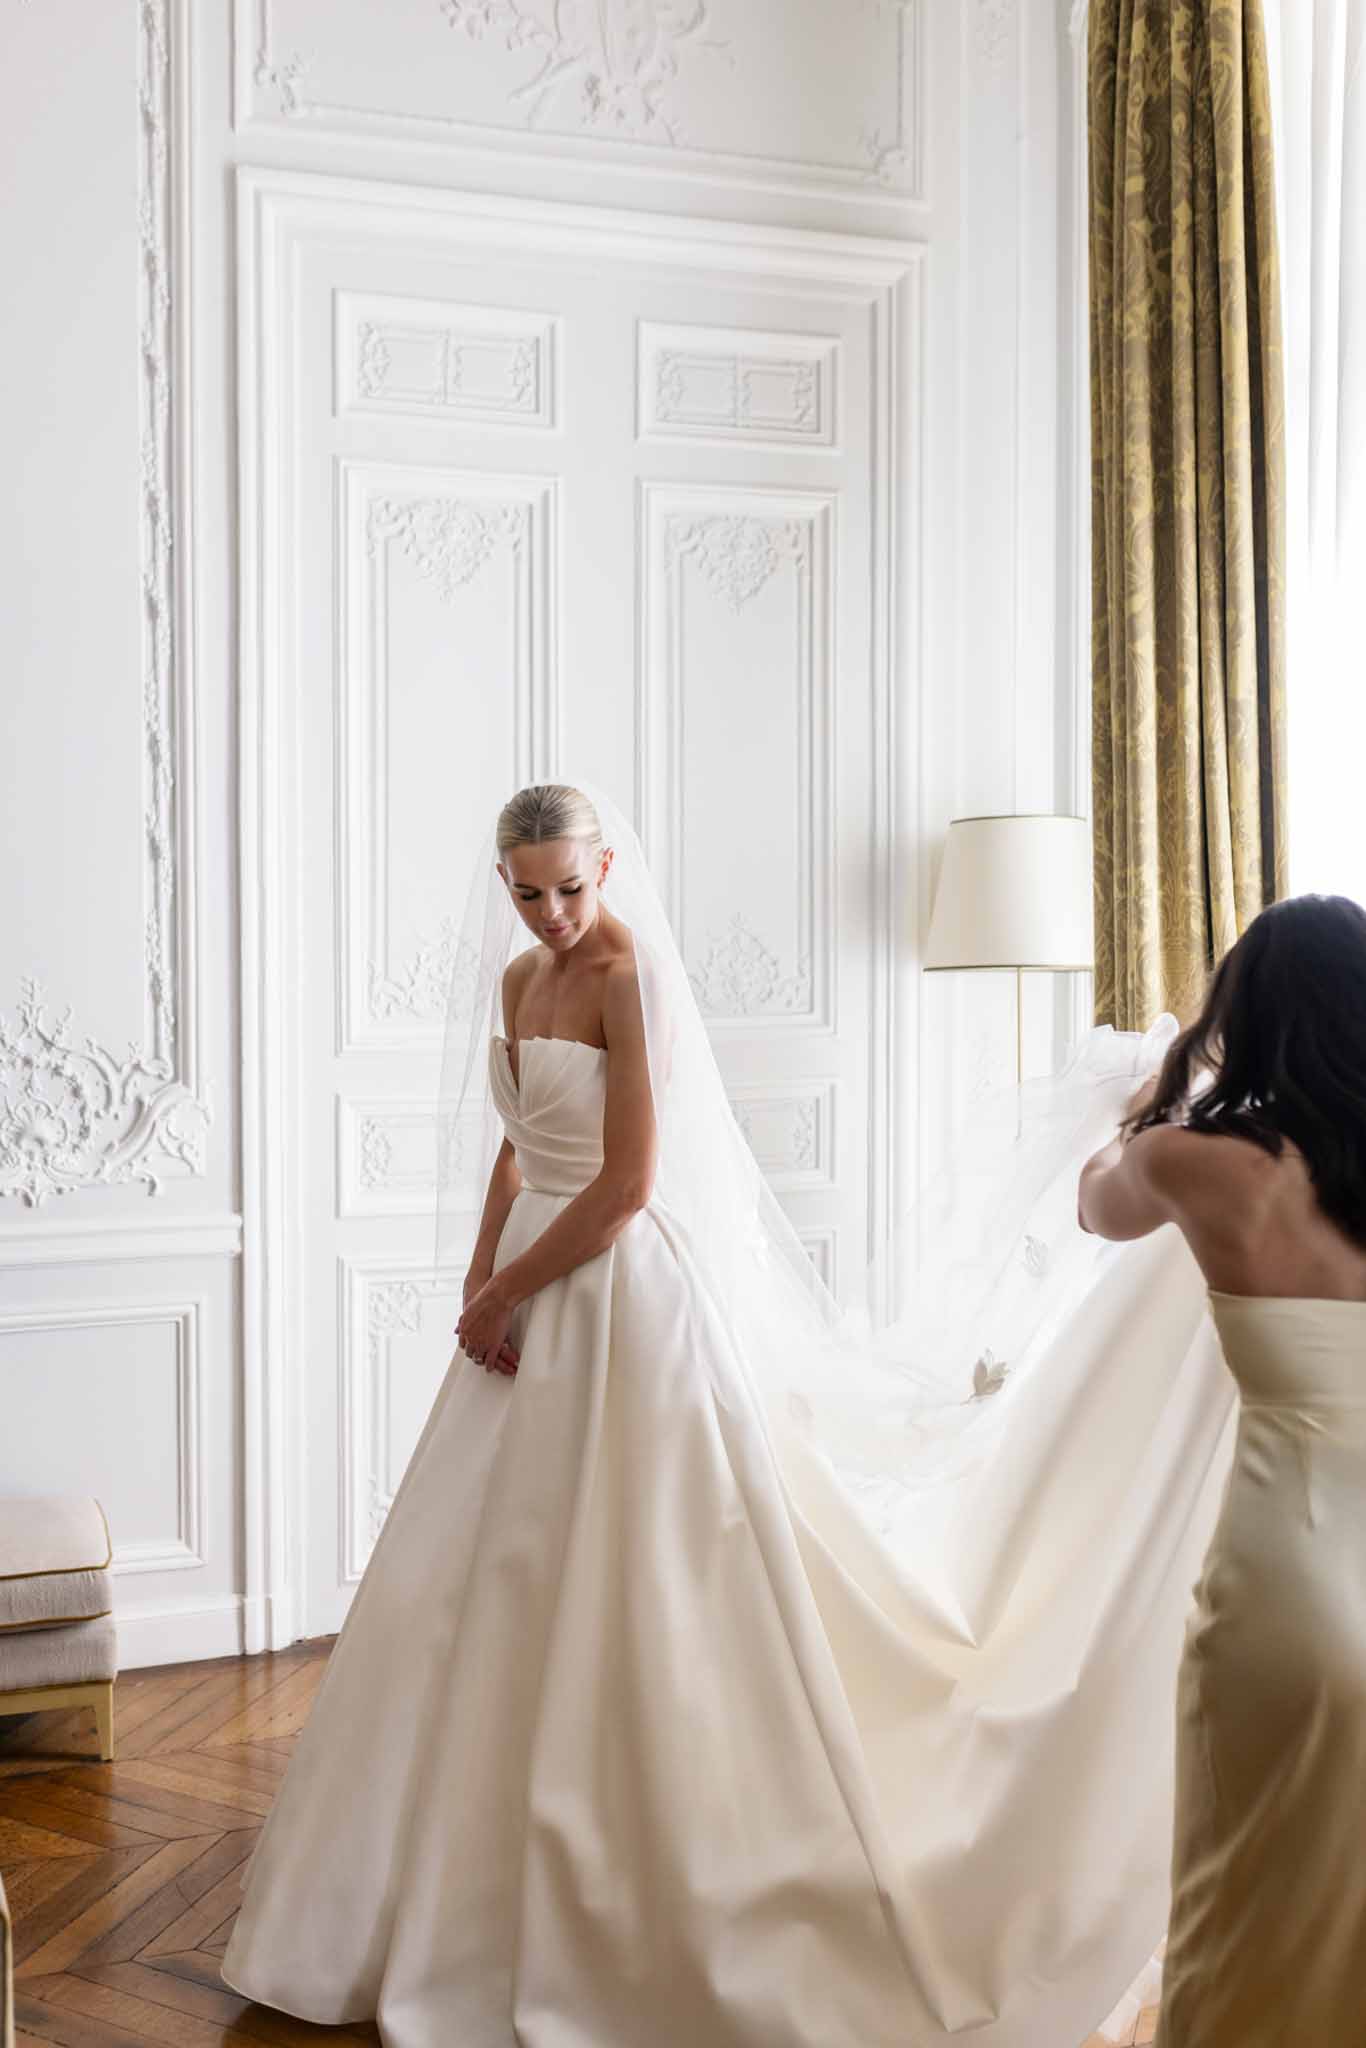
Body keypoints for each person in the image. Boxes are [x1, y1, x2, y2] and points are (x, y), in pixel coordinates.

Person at [220, 782, 1238, 2048]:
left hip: (610, 1291)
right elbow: (517, 1145)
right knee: (469, 1578)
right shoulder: (515, 981)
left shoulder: (623, 975)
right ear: (506, 884)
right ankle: (416, 1886)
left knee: (629, 1572)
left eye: (572, 885)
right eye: (530, 891)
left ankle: (624, 1873)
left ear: (605, 867)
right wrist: (479, 1279)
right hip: (527, 1282)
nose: (553, 911)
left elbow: (629, 1181)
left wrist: (515, 1291)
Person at [1077, 893, 1366, 2048]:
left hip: (1285, 1569)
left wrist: (1164, 1082)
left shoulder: (1199, 1163)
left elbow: (1096, 1204)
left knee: (1242, 1862)